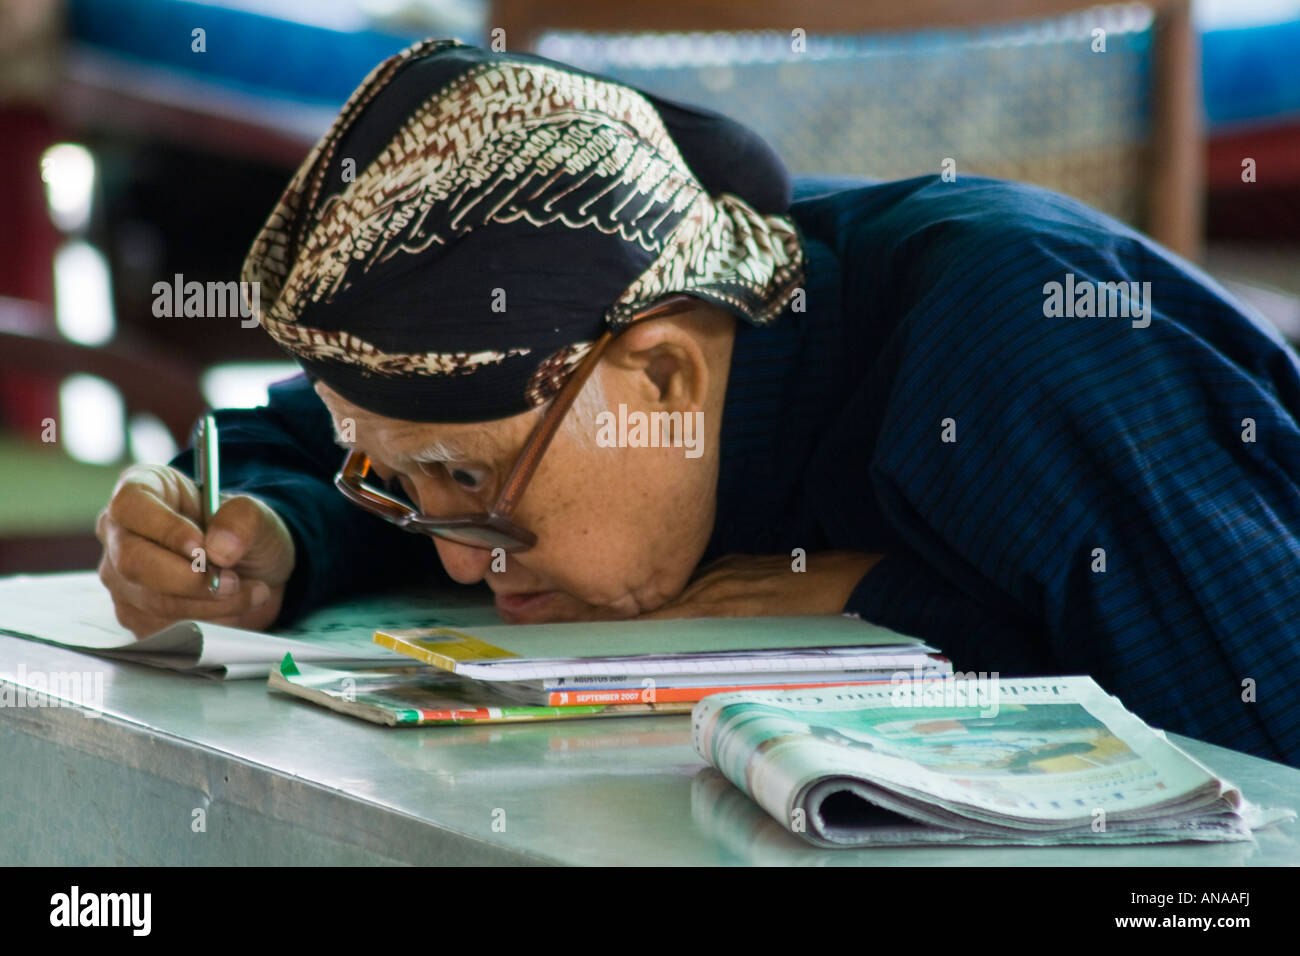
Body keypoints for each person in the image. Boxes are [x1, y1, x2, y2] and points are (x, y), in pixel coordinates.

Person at [96, 38, 1300, 765]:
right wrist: (271, 529)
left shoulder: (1012, 359)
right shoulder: (590, 341)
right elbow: (293, 442)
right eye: (401, 481)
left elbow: (1265, 736)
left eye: (468, 484)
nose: (463, 563)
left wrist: (877, 600)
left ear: (665, 373)